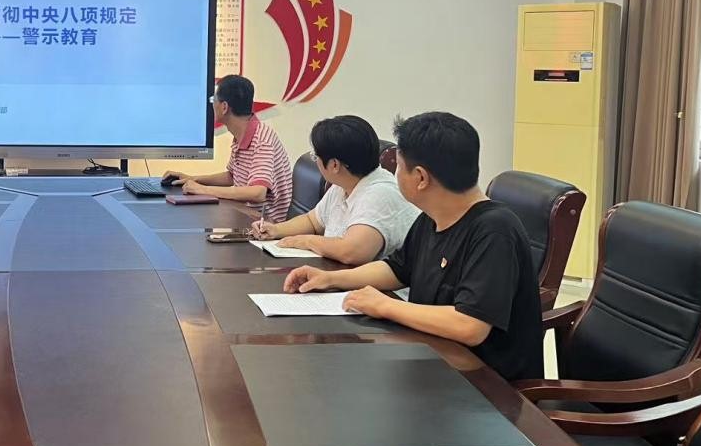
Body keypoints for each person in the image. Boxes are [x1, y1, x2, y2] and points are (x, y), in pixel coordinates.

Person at [282, 111, 542, 381]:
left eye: (398, 166)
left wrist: (385, 306)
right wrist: (330, 279)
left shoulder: (494, 230)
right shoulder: (433, 218)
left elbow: (470, 326)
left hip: (485, 386)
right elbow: (397, 269)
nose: (394, 174)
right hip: (431, 362)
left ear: (420, 178)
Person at [252, 115, 418, 264]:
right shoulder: (343, 184)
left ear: (334, 165)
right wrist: (276, 230)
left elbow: (352, 252)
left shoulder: (380, 194)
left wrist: (305, 241)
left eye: (316, 156)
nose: (316, 161)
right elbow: (312, 221)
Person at [164, 75, 292, 222]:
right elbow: (232, 177)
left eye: (213, 100)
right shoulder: (242, 134)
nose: (212, 105)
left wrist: (203, 190)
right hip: (246, 216)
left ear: (224, 107)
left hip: (266, 226)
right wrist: (193, 179)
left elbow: (258, 193)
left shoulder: (262, 140)